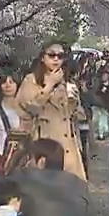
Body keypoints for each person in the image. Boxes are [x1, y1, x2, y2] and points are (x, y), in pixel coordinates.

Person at [17, 42, 87, 181]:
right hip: (45, 145)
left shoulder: (67, 82)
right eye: (51, 55)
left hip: (69, 148)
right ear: (43, 57)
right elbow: (30, 107)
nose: (56, 59)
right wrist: (49, 86)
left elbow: (79, 116)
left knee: (71, 192)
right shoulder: (31, 80)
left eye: (60, 56)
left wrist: (74, 102)